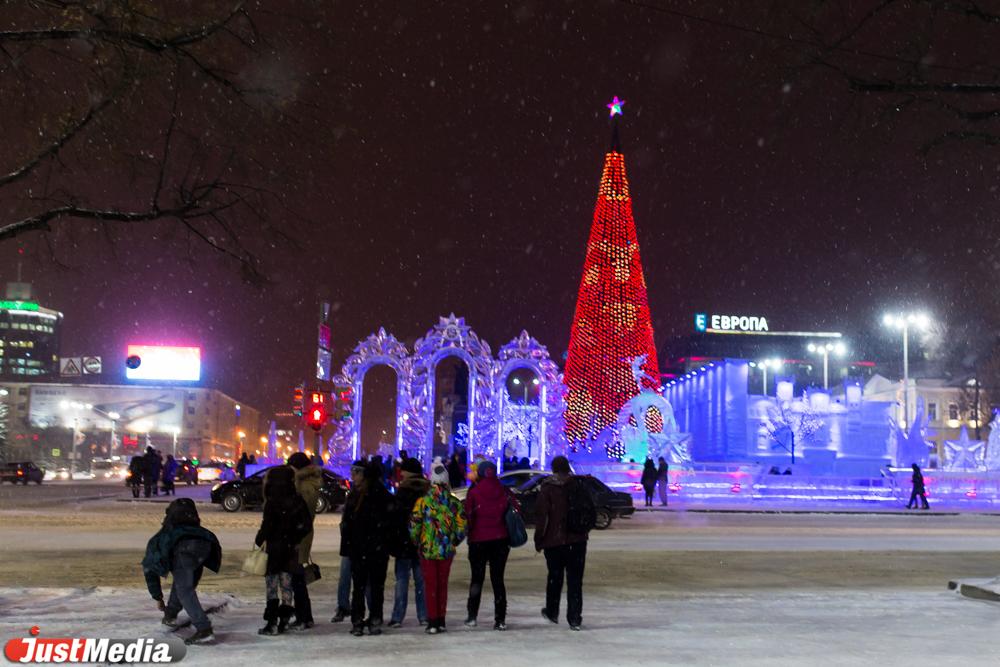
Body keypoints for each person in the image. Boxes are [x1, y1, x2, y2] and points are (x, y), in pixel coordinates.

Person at [142, 498, 222, 645]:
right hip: (205, 546)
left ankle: (204, 629)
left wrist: (158, 598)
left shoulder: (159, 540)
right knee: (183, 584)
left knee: (184, 590)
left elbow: (149, 570)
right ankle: (171, 614)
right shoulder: (195, 529)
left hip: (185, 550)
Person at [254, 465, 313, 635]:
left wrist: (259, 540)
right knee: (287, 585)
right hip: (289, 549)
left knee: (272, 586)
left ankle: (272, 622)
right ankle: (285, 620)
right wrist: (294, 538)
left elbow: (266, 526)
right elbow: (306, 525)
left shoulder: (272, 501)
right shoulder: (296, 499)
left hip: (273, 548)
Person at [410, 459, 466, 634]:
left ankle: (432, 620)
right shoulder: (453, 502)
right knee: (442, 585)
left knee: (430, 585)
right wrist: (454, 540)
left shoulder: (423, 502)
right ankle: (441, 619)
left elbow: (414, 525)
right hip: (446, 550)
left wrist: (417, 541)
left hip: (427, 549)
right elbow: (462, 525)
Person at [535, 455, 590, 631]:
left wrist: (539, 539)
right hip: (578, 540)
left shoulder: (548, 488)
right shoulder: (578, 485)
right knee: (575, 581)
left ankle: (552, 611)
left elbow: (542, 517)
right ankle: (574, 618)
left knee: (554, 578)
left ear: (553, 469)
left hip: (554, 541)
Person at [341, 460, 395, 636]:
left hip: (367, 548)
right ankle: (371, 620)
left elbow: (348, 524)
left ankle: (363, 621)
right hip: (369, 549)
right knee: (369, 587)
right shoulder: (371, 495)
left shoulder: (368, 496)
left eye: (356, 473)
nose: (352, 476)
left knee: (364, 586)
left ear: (365, 475)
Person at [464, 460, 517, 631]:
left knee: (477, 578)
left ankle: (472, 615)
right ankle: (500, 619)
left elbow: (468, 515)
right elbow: (514, 510)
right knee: (498, 579)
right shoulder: (504, 491)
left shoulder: (474, 491)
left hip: (478, 540)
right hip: (500, 539)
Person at [388, 457, 429, 628]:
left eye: (403, 470)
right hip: (423, 542)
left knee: (402, 580)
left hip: (404, 542)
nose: (401, 473)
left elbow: (396, 518)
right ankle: (424, 615)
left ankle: (398, 616)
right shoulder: (427, 491)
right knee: (422, 582)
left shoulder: (402, 491)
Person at [287, 452, 323, 630]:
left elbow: (302, 511)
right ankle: (303, 615)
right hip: (301, 533)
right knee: (296, 576)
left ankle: (304, 616)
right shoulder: (306, 482)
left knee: (297, 577)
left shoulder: (305, 485)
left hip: (300, 534)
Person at [331, 462, 367, 624]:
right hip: (350, 542)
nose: (352, 475)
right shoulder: (353, 493)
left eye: (356, 472)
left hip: (360, 542)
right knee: (345, 577)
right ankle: (343, 606)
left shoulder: (365, 493)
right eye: (352, 472)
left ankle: (366, 610)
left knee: (362, 579)